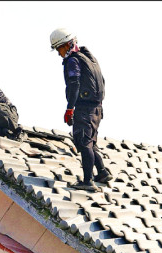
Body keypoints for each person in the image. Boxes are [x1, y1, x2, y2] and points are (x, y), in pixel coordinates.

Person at [50, 27, 111, 191]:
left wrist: (70, 108)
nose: (59, 53)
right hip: (97, 109)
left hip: (84, 109)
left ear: (66, 45)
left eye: (59, 49)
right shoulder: (89, 57)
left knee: (84, 143)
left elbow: (74, 83)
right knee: (90, 142)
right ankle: (103, 172)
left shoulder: (73, 60)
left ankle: (87, 181)